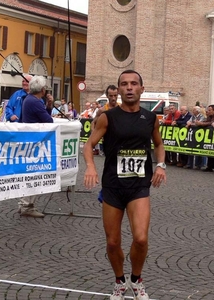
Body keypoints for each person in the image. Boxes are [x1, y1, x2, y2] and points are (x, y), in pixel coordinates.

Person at [84, 70, 166, 300]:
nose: (129, 87)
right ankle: (120, 281)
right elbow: (88, 145)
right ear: (118, 90)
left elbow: (159, 145)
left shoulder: (150, 119)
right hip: (112, 186)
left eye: (133, 84)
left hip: (139, 186)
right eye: (124, 84)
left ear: (141, 88)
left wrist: (161, 165)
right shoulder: (107, 117)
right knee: (112, 242)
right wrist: (90, 167)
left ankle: (136, 279)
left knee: (140, 238)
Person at [18, 76, 54, 217]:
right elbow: (48, 120)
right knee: (32, 175)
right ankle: (27, 205)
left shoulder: (30, 100)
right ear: (42, 90)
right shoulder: (35, 102)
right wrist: (48, 107)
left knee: (29, 174)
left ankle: (24, 204)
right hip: (34, 142)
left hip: (31, 140)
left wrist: (48, 106)